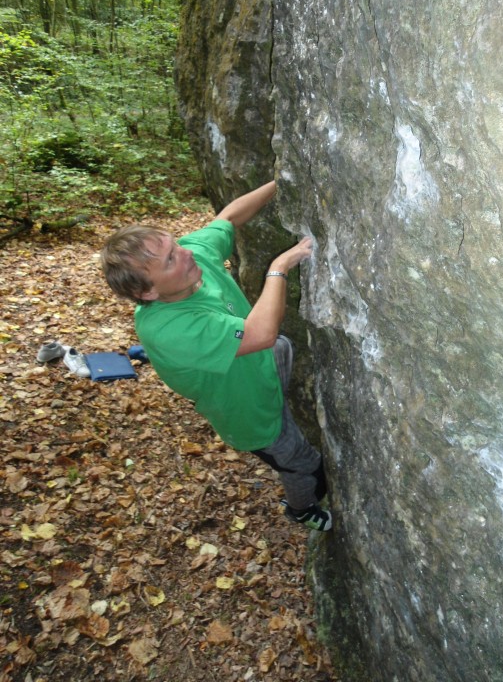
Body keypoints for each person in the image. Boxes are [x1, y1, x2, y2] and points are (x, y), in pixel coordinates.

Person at [100, 180, 331, 532]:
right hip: (248, 409)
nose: (187, 252)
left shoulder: (192, 261)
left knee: (280, 347)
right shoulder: (170, 329)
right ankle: (301, 509)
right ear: (145, 291)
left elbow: (229, 217)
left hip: (259, 368)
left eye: (175, 245)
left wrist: (279, 180)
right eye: (171, 259)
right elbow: (261, 333)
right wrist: (280, 265)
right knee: (304, 464)